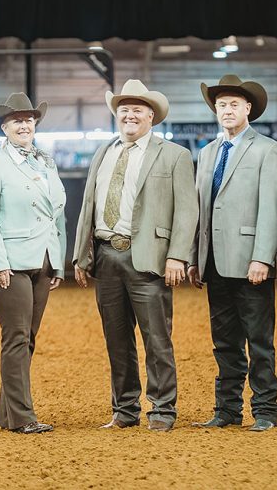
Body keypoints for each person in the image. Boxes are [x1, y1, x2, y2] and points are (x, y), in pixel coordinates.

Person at [72, 79, 198, 432]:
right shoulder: (104, 152)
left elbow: (187, 211)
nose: (129, 115)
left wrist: (177, 256)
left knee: (157, 338)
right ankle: (125, 409)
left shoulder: (174, 155)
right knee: (117, 339)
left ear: (151, 117)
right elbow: (88, 206)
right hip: (106, 255)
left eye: (137, 110)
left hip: (149, 258)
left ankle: (162, 409)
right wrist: (81, 255)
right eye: (123, 109)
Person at [188, 74, 277, 432]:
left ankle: (265, 411)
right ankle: (226, 410)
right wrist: (197, 258)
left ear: (248, 109)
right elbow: (201, 210)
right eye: (221, 105)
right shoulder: (208, 152)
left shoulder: (266, 149)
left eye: (233, 105)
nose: (226, 110)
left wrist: (263, 256)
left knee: (259, 341)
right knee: (224, 342)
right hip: (213, 262)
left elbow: (271, 208)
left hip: (249, 261)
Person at [0, 93, 67, 434]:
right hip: (9, 261)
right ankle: (23, 417)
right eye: (17, 120)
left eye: (29, 119)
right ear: (5, 128)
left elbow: (58, 216)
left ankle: (8, 414)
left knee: (27, 338)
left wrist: (57, 261)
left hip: (42, 259)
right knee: (15, 336)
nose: (24, 124)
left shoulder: (46, 163)